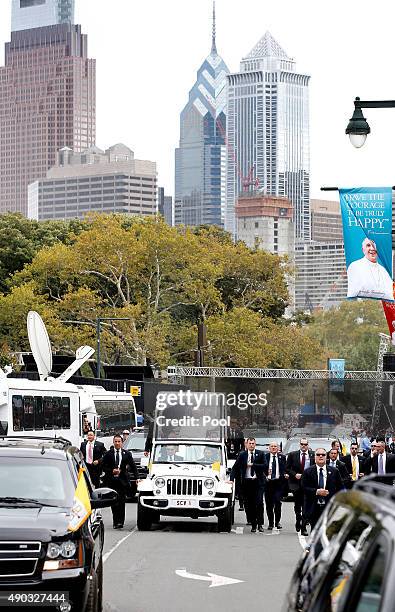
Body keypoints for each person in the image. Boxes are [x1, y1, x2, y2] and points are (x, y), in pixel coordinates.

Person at [101, 434, 138, 529]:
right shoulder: (108, 454)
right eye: (115, 441)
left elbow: (133, 467)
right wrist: (111, 471)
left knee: (121, 502)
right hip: (112, 481)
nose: (117, 443)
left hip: (122, 481)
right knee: (114, 502)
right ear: (113, 442)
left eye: (119, 441)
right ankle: (115, 521)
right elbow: (103, 466)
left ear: (122, 443)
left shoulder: (127, 454)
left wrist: (137, 478)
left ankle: (120, 522)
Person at [230, 437, 266, 533]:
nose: (251, 445)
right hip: (247, 482)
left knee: (259, 503)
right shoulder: (242, 455)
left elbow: (264, 466)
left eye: (253, 443)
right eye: (249, 443)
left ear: (255, 444)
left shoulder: (261, 454)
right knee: (250, 504)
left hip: (258, 482)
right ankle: (253, 524)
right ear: (246, 444)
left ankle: (260, 524)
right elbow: (235, 468)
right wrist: (231, 479)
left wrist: (253, 465)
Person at [302, 448, 343, 531]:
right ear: (314, 457)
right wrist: (317, 492)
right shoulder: (308, 471)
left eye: (323, 455)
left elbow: (340, 488)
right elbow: (304, 488)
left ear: (326, 457)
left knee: (327, 531)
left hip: (328, 506)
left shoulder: (334, 471)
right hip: (314, 506)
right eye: (318, 455)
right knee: (315, 531)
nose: (320, 456)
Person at [285, 437, 315, 535]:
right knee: (298, 504)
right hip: (296, 483)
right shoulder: (293, 455)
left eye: (305, 444)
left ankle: (304, 526)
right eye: (302, 444)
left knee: (306, 505)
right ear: (300, 445)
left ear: (308, 445)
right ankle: (298, 519)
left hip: (308, 484)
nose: (303, 446)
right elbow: (287, 468)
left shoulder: (312, 455)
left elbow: (315, 468)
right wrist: (295, 474)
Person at [263, 442, 287, 530]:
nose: (273, 448)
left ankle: (277, 521)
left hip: (278, 483)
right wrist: (265, 476)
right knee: (269, 504)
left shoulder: (282, 457)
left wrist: (285, 474)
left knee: (277, 502)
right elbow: (261, 469)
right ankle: (270, 522)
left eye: (275, 446)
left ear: (278, 448)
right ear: (269, 448)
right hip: (268, 483)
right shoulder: (265, 457)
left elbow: (285, 469)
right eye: (272, 446)